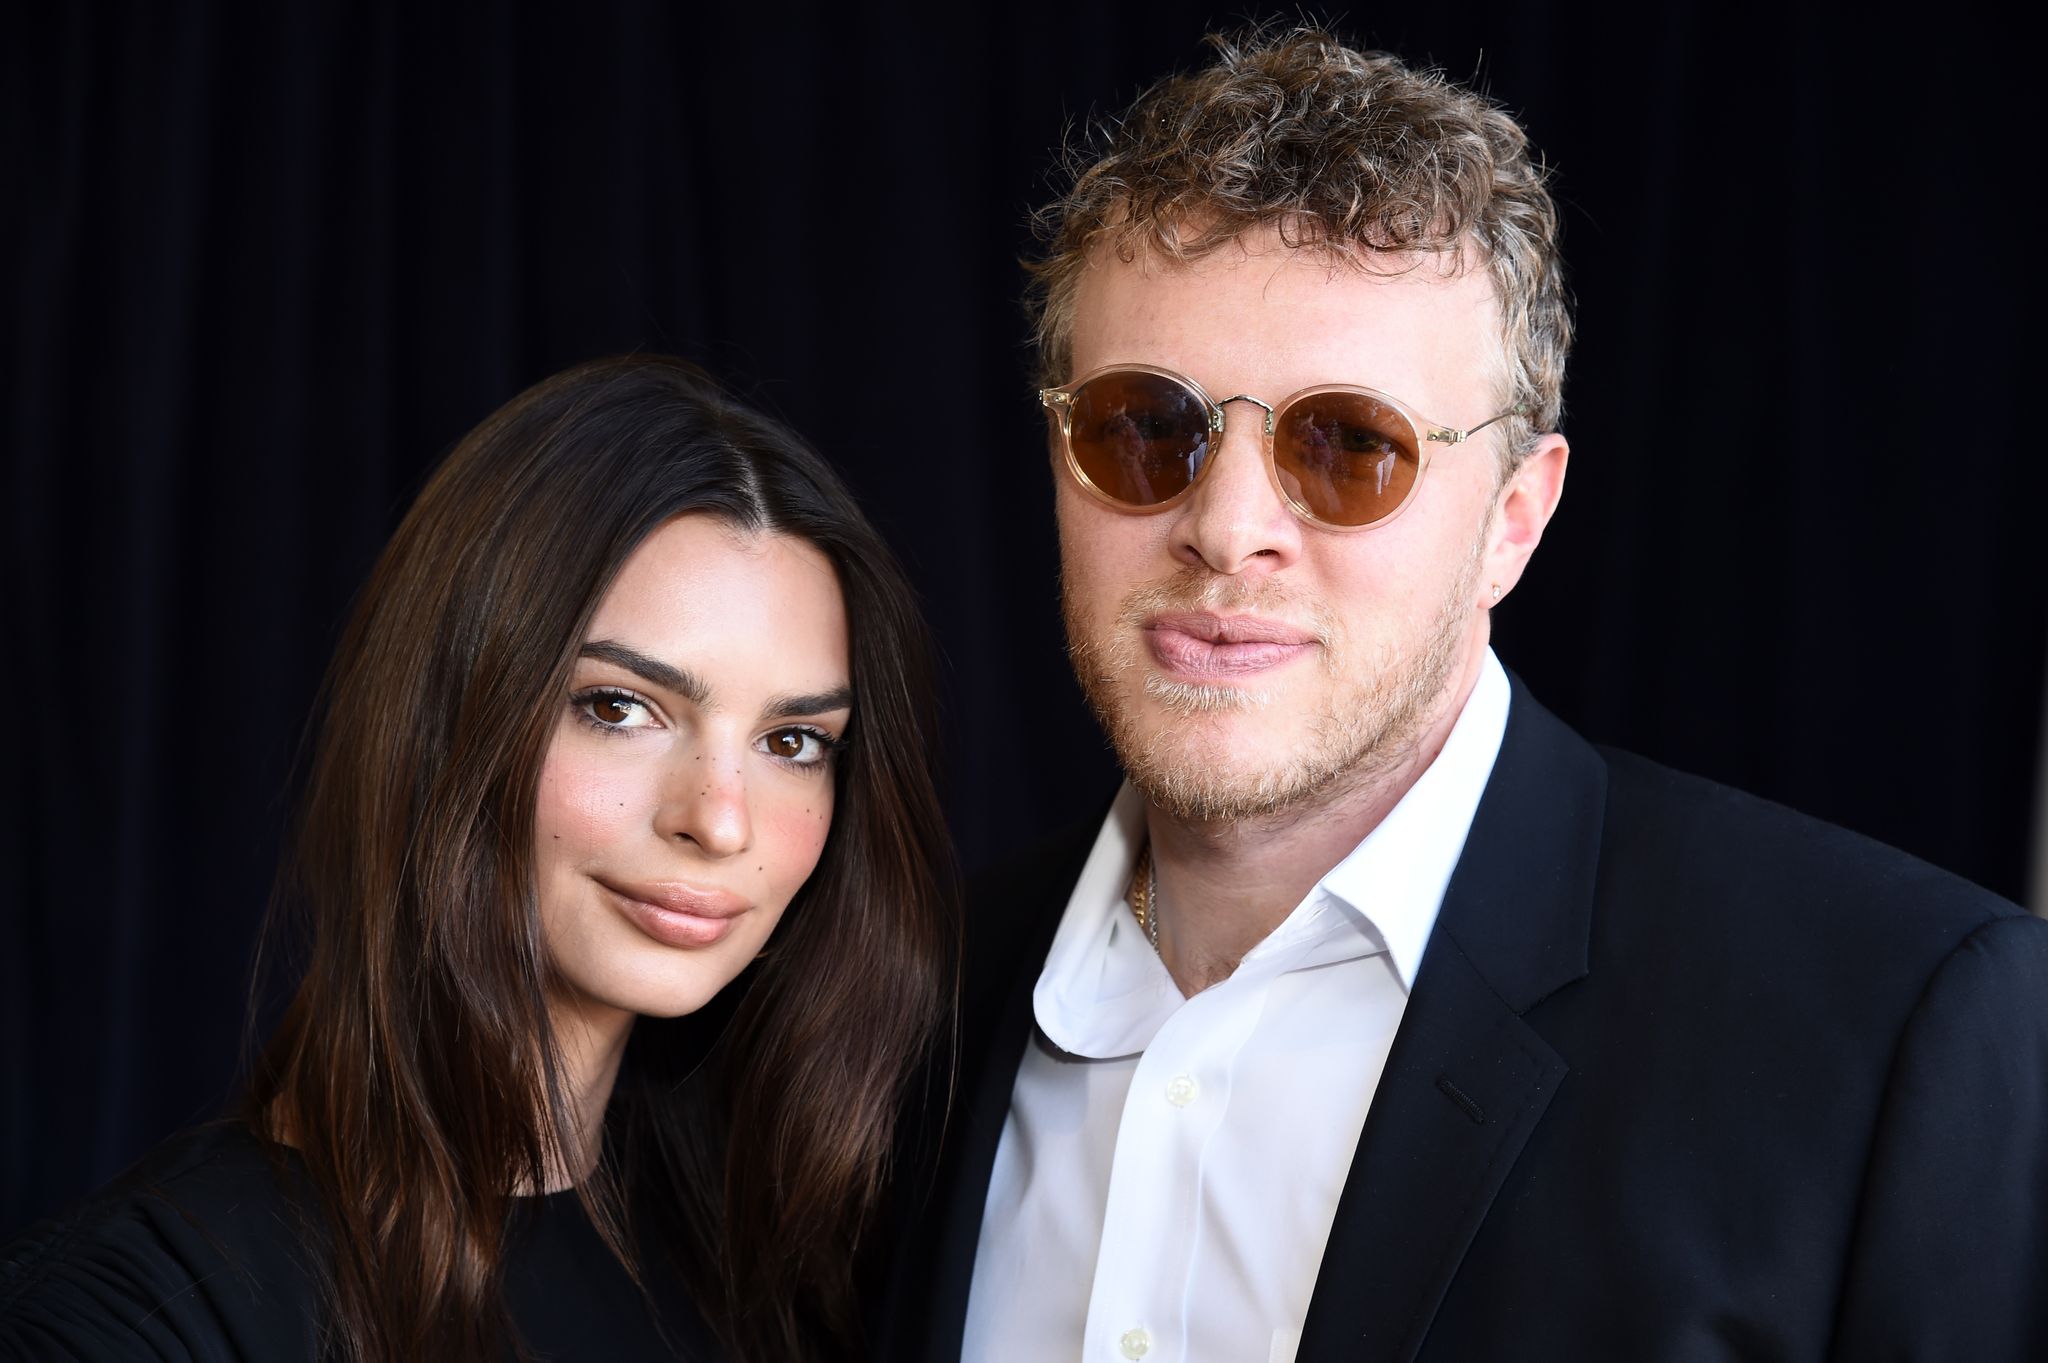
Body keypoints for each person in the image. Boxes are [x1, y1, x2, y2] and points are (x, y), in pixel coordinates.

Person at [879, 27, 2048, 1363]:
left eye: (1347, 446)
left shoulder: (1897, 1029)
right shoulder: (907, 1005)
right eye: (1146, 427)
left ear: (1513, 517)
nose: (1227, 526)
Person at [0, 356, 954, 1363]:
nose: (719, 823)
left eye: (791, 741)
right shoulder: (125, 1319)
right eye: (619, 707)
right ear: (447, 720)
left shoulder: (774, 1273)